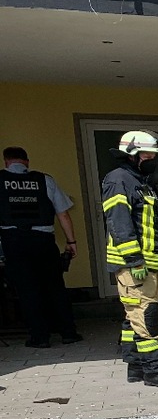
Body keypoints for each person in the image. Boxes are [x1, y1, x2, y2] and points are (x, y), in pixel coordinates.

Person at [102, 130, 158, 388]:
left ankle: (135, 366)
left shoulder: (139, 181)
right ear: (133, 155)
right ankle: (154, 370)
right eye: (148, 154)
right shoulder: (118, 180)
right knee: (147, 314)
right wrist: (134, 260)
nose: (152, 158)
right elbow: (118, 221)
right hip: (136, 265)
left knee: (132, 316)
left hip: (149, 263)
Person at [0, 147, 82, 347]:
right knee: (55, 287)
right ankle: (68, 332)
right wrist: (71, 242)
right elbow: (63, 214)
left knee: (27, 290)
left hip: (13, 240)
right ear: (27, 162)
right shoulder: (45, 180)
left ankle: (40, 337)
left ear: (6, 162)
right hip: (43, 241)